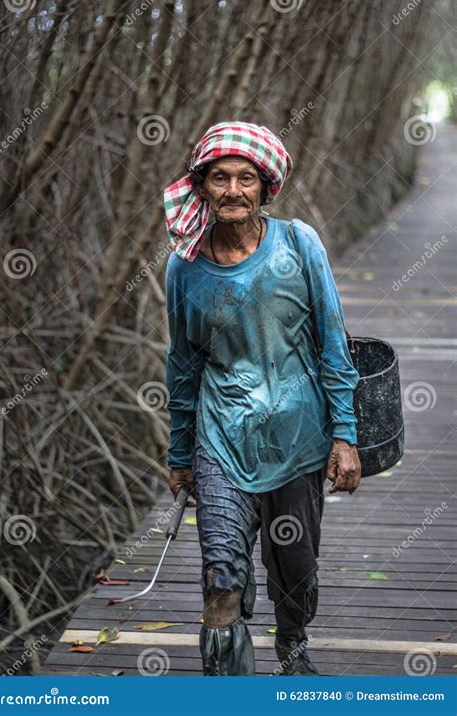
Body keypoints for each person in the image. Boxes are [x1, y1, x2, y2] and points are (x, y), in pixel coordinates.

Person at [163, 122, 361, 676]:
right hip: (221, 442)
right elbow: (183, 364)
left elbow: (333, 342)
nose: (232, 190)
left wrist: (345, 434)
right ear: (200, 186)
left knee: (294, 570)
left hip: (298, 441)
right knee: (219, 579)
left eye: (245, 179)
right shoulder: (184, 266)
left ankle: (293, 644)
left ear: (265, 187)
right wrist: (180, 455)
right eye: (219, 178)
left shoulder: (298, 243)